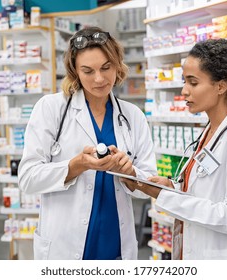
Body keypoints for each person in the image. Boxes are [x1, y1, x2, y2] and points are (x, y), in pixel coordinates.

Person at [124, 39, 227, 260]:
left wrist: (165, 196)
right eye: (184, 82)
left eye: (193, 83)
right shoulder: (210, 129)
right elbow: (206, 189)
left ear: (221, 86)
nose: (184, 91)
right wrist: (172, 186)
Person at [18, 26, 157, 260]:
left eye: (106, 67)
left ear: (117, 64)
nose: (100, 79)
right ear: (75, 71)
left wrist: (130, 173)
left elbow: (149, 186)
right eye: (88, 70)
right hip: (65, 246)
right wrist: (76, 165)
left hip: (115, 246)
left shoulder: (133, 116)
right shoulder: (51, 108)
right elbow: (27, 179)